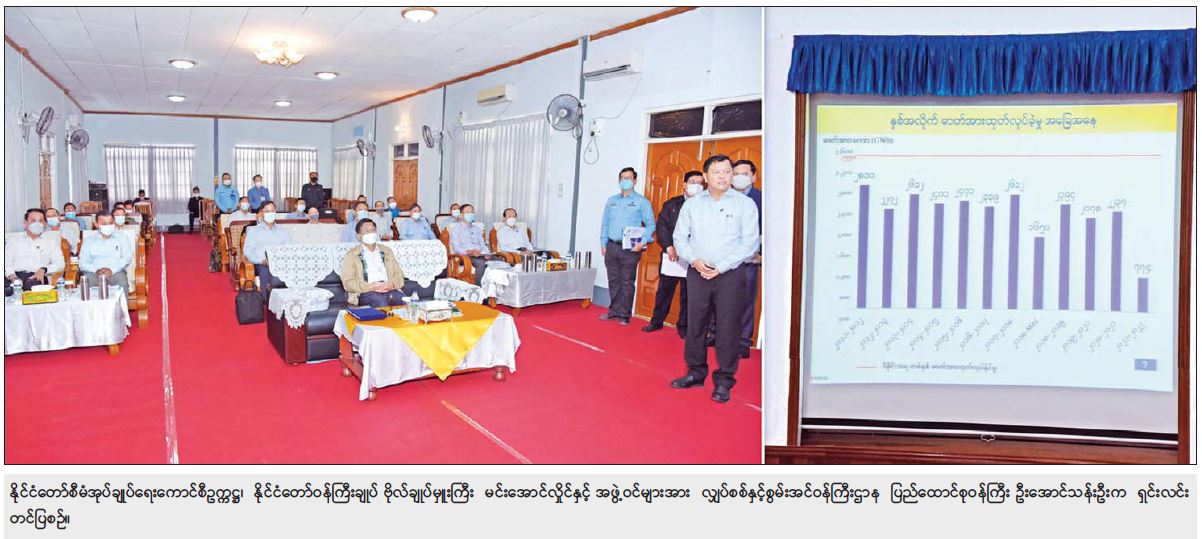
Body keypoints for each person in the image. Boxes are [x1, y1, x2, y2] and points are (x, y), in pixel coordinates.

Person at [669, 154, 760, 404]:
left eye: (727, 171)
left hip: (730, 275)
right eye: (717, 172)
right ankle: (695, 372)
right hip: (698, 272)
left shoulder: (744, 205)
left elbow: (750, 243)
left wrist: (720, 267)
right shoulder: (693, 204)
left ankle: (724, 381)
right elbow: (680, 237)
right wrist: (693, 259)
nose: (723, 176)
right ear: (706, 176)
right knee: (695, 324)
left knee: (727, 327)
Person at [644, 170, 704, 337]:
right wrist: (668, 246)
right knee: (664, 291)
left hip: (693, 258)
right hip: (672, 255)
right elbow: (662, 226)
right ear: (684, 185)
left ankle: (683, 327)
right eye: (693, 182)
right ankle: (656, 321)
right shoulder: (672, 204)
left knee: (688, 294)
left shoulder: (706, 206)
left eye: (700, 183)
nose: (697, 186)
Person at [598, 166, 655, 326]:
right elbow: (605, 223)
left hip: (630, 249)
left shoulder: (642, 202)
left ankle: (624, 314)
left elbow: (651, 225)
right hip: (611, 246)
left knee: (627, 282)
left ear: (634, 181)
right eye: (623, 178)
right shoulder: (612, 201)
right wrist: (603, 243)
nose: (626, 180)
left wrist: (642, 242)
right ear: (619, 180)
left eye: (629, 178)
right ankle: (613, 311)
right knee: (613, 280)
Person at [731, 159, 762, 358]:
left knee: (746, 300)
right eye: (736, 174)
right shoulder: (725, 198)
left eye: (745, 173)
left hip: (749, 259)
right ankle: (716, 334)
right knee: (720, 298)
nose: (740, 177)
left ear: (753, 177)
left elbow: (772, 229)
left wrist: (763, 255)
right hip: (725, 258)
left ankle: (743, 341)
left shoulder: (763, 200)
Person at [339, 219, 408, 307]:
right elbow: (348, 282)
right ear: (359, 236)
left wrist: (391, 284)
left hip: (388, 288)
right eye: (367, 231)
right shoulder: (352, 255)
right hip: (366, 291)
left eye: (373, 230)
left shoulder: (387, 251)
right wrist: (370, 287)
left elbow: (399, 274)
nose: (371, 233)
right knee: (380, 302)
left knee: (403, 300)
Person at [4, 209, 64, 295]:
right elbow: (6, 262)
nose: (37, 224)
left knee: (33, 288)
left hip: (37, 276)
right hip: (14, 276)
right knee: (7, 290)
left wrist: (44, 270)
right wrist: (13, 278)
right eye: (33, 221)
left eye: (41, 221)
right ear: (25, 223)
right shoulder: (14, 240)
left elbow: (60, 263)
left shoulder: (51, 241)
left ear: (45, 223)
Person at [243, 201, 293, 301]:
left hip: (281, 262)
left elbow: (290, 248)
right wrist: (261, 260)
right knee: (266, 272)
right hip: (262, 263)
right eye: (267, 211)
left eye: (272, 211)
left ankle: (287, 301)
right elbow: (248, 251)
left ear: (275, 212)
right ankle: (268, 302)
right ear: (262, 213)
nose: (270, 213)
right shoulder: (253, 231)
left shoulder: (283, 231)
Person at [77, 211, 133, 294]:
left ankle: (123, 303)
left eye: (110, 223)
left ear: (114, 223)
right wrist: (96, 270)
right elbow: (82, 262)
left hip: (116, 272)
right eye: (104, 223)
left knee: (122, 280)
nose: (108, 226)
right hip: (94, 273)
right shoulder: (88, 241)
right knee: (86, 282)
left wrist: (112, 270)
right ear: (96, 224)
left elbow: (127, 258)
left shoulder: (122, 238)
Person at [448, 203, 492, 285]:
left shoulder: (477, 229)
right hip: (465, 256)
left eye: (472, 212)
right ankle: (479, 288)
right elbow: (456, 248)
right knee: (481, 263)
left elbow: (483, 245)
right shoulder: (456, 229)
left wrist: (487, 253)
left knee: (498, 260)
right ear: (461, 215)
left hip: (480, 254)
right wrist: (469, 252)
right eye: (467, 212)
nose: (470, 214)